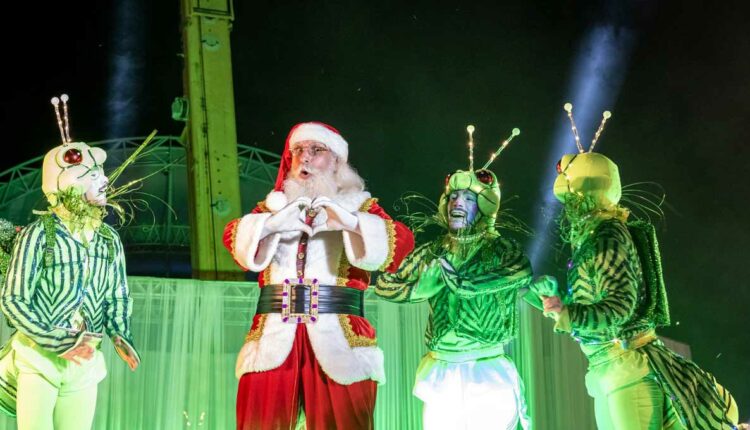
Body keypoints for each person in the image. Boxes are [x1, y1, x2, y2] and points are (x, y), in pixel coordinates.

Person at [535, 104, 744, 430]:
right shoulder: (594, 237)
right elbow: (597, 299)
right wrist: (555, 298)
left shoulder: (607, 234)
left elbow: (619, 306)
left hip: (626, 365)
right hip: (611, 367)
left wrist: (568, 313)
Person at [223, 121, 415, 429]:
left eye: (316, 150)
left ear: (337, 160)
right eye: (298, 151)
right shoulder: (272, 207)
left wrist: (351, 223)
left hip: (339, 337)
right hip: (274, 337)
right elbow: (233, 237)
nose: (305, 158)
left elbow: (401, 243)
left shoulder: (360, 206)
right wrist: (273, 224)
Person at [375, 127, 533, 429]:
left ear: (485, 207)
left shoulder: (499, 249)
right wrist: (419, 290)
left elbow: (521, 271)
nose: (456, 203)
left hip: (488, 374)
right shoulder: (433, 251)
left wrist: (465, 285)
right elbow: (384, 284)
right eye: (453, 197)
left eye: (467, 198)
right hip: (442, 373)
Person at [0, 95, 139, 430]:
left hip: (85, 360)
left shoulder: (109, 240)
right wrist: (55, 341)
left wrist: (120, 334)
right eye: (92, 175)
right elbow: (13, 299)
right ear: (66, 185)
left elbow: (117, 296)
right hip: (39, 357)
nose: (104, 181)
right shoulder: (39, 234)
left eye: (100, 174)